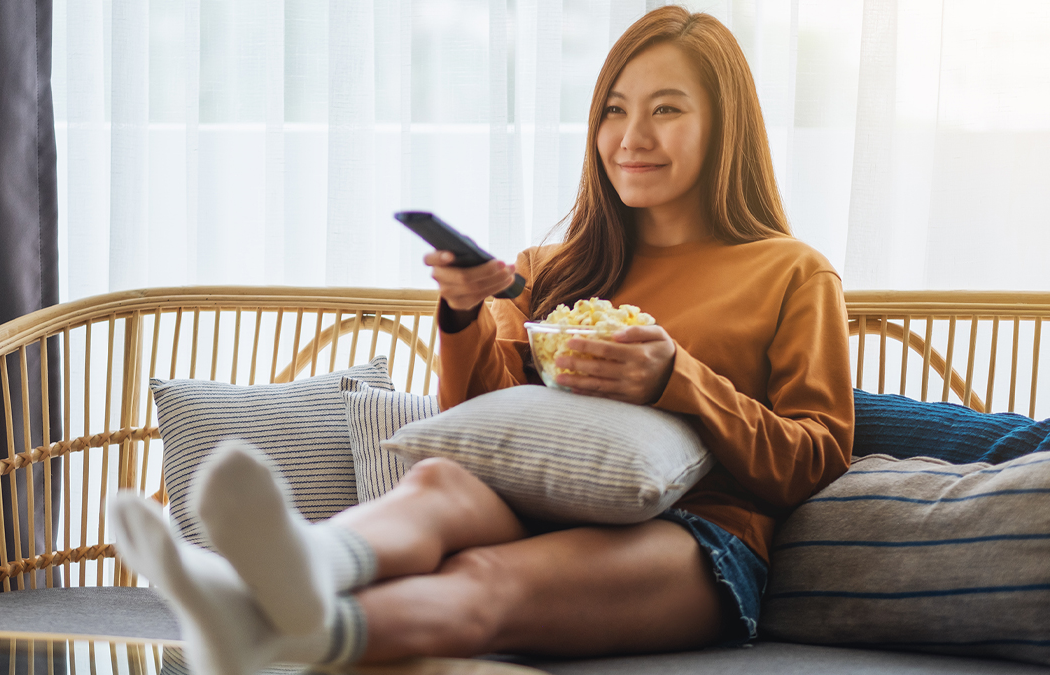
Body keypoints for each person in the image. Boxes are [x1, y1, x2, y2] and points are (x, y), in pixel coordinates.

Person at [111, 6, 854, 675]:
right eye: (614, 110)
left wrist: (676, 380)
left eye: (667, 110)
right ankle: (293, 567)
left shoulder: (790, 272)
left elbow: (817, 458)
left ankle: (281, 627)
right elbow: (478, 418)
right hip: (544, 498)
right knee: (436, 484)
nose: (631, 138)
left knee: (488, 580)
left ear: (725, 126)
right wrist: (463, 315)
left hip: (700, 538)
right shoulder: (549, 271)